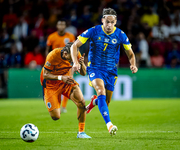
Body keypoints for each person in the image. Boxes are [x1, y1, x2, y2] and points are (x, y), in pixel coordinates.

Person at [71, 8, 138, 136]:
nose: (109, 25)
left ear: (115, 22)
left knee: (105, 102)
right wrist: (75, 62)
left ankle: (94, 102)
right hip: (95, 68)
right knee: (100, 91)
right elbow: (75, 45)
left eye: (112, 22)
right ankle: (109, 125)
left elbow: (130, 54)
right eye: (107, 22)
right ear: (102, 20)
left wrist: (133, 64)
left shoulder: (120, 34)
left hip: (111, 71)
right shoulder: (94, 31)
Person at [40, 42, 91, 138]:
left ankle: (81, 132)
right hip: (52, 84)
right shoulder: (53, 55)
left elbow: (83, 73)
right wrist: (60, 78)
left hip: (67, 81)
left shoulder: (76, 53)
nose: (72, 60)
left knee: (81, 102)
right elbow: (45, 75)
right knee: (56, 116)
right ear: (65, 54)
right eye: (71, 59)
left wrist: (81, 64)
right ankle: (47, 97)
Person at [46, 18, 75, 113]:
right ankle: (56, 103)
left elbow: (74, 49)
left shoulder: (70, 36)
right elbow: (47, 50)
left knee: (69, 82)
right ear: (57, 26)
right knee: (56, 84)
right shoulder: (51, 37)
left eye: (63, 24)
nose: (61, 26)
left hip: (67, 64)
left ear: (65, 26)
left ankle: (64, 106)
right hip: (55, 65)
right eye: (60, 24)